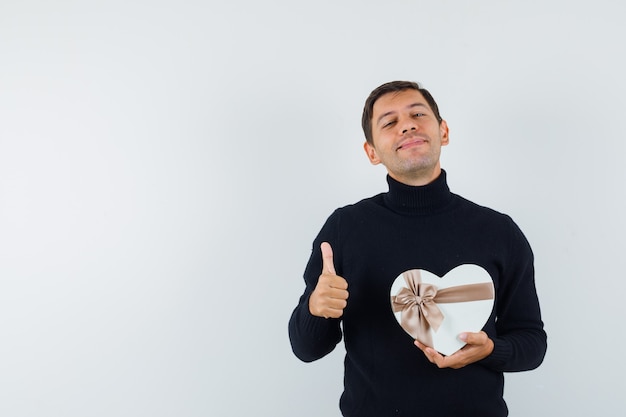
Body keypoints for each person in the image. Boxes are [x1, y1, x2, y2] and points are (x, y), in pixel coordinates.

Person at [288, 80, 547, 417]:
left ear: (444, 131)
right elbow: (305, 349)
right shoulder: (345, 228)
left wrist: (490, 350)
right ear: (371, 152)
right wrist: (316, 309)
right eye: (389, 122)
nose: (407, 125)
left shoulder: (499, 231)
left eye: (417, 114)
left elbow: (532, 343)